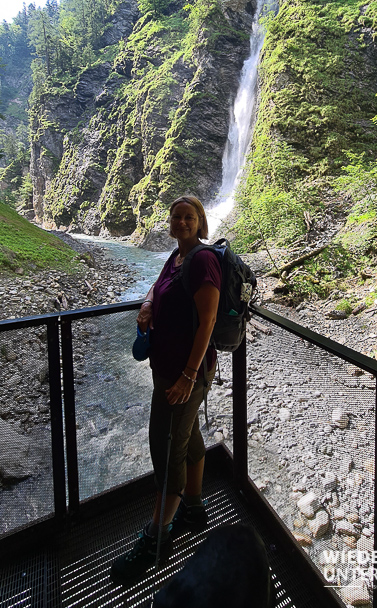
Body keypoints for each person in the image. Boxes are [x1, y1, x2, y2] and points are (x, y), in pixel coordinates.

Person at [110, 196, 221, 587]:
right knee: (187, 438)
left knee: (166, 447)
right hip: (167, 370)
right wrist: (145, 304)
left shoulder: (204, 260)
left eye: (189, 216)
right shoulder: (174, 258)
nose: (182, 221)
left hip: (185, 376)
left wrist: (189, 376)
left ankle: (155, 541)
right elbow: (157, 290)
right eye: (177, 216)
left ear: (200, 222)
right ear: (170, 224)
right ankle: (193, 508)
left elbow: (208, 321)